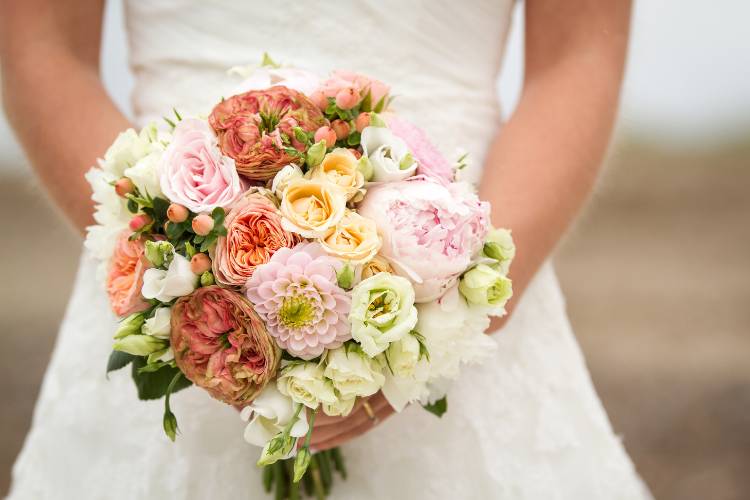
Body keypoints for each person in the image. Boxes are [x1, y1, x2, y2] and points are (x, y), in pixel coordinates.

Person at [0, 0, 651, 498]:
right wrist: (167, 270)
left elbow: (578, 56)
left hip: (462, 265)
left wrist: (444, 317)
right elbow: (43, 46)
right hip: (175, 286)